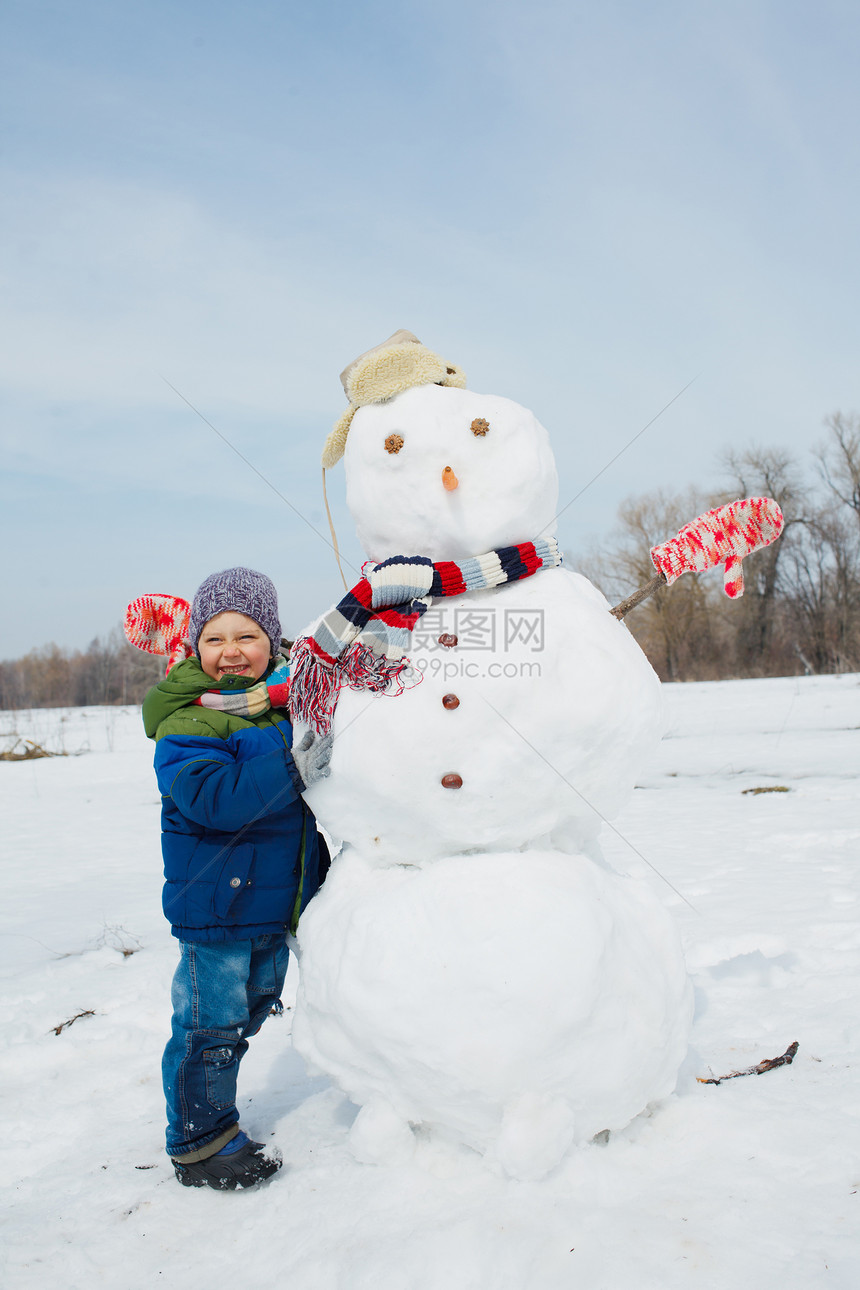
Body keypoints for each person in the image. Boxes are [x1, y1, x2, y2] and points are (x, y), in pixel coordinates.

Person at [141, 567, 332, 1190]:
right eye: (215, 639)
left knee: (239, 1023)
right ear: (195, 649)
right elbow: (219, 800)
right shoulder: (187, 721)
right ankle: (199, 1142)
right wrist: (295, 761)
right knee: (207, 1030)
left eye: (246, 636)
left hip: (268, 910)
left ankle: (211, 1116)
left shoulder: (279, 711)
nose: (230, 652)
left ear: (271, 642)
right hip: (218, 917)